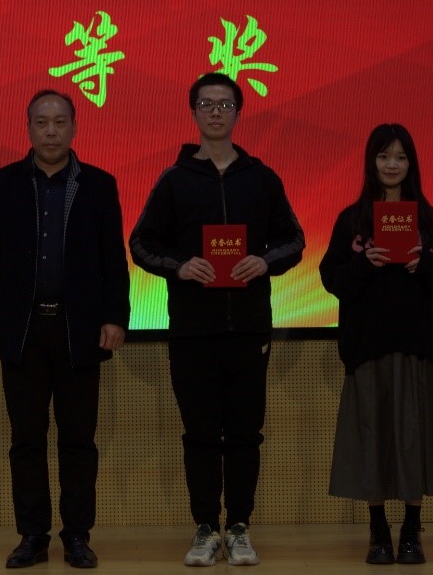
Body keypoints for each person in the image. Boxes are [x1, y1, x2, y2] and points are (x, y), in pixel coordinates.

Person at [129, 73, 304, 567]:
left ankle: (241, 526)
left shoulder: (261, 178)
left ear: (238, 113)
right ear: (193, 113)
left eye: (224, 105)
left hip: (248, 328)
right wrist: (180, 266)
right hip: (193, 329)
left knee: (245, 433)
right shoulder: (175, 179)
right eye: (206, 104)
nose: (215, 112)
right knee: (200, 433)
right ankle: (206, 527)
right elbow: (141, 243)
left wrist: (263, 261)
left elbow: (294, 239)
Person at [0, 90, 130, 570]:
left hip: (78, 329)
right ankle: (32, 536)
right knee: (26, 440)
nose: (51, 131)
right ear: (28, 128)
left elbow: (113, 259)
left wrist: (115, 317)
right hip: (21, 330)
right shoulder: (3, 183)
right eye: (41, 122)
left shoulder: (99, 184)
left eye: (60, 121)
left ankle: (77, 536)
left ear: (74, 127)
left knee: (78, 440)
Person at [319, 123, 433, 565]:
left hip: (418, 345)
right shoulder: (352, 220)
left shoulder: (427, 218)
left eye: (400, 157)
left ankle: (413, 529)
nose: (392, 165)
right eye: (384, 157)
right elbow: (333, 280)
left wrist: (423, 262)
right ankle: (378, 529)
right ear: (371, 162)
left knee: (415, 437)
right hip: (368, 345)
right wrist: (366, 262)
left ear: (411, 163)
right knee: (373, 435)